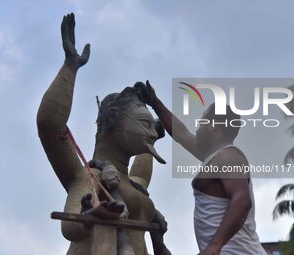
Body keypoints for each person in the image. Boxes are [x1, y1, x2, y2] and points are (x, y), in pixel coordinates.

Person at [37, 13, 170, 255]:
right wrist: (70, 67)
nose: (150, 132)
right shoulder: (88, 176)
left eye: (151, 126)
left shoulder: (136, 185)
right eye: (143, 123)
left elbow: (143, 161)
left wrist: (156, 131)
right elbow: (50, 124)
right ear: (111, 121)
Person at [138, 81, 267, 255]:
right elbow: (181, 133)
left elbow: (242, 200)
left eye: (202, 122)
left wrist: (215, 246)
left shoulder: (228, 157)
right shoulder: (213, 157)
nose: (197, 128)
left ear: (214, 126)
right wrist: (155, 102)